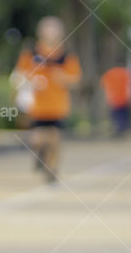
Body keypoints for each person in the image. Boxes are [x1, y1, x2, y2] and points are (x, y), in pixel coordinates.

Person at [12, 16, 82, 182]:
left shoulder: (65, 55)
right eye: (47, 29)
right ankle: (40, 154)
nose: (51, 33)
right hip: (37, 104)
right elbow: (19, 74)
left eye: (54, 29)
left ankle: (51, 169)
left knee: (55, 139)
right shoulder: (31, 52)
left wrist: (62, 77)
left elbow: (76, 78)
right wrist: (31, 81)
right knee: (37, 139)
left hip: (57, 105)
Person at [100, 62, 131, 136]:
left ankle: (117, 130)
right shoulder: (124, 73)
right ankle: (122, 130)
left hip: (114, 99)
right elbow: (129, 86)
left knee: (116, 117)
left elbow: (104, 86)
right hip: (123, 99)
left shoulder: (109, 73)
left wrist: (107, 97)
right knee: (123, 117)